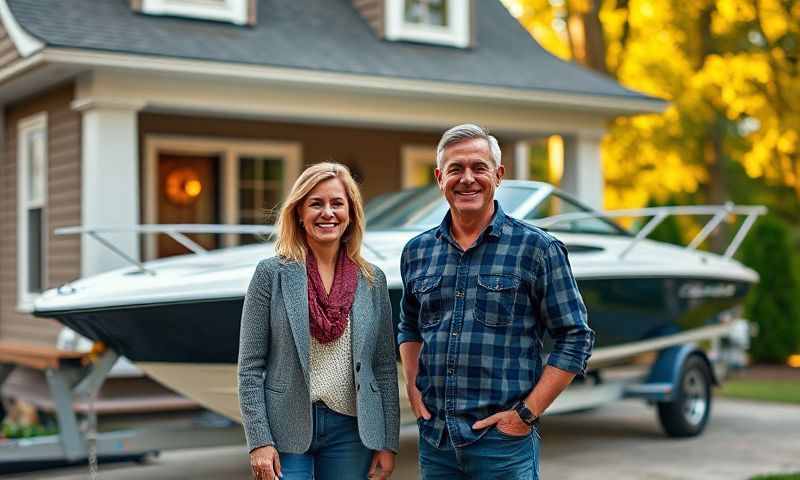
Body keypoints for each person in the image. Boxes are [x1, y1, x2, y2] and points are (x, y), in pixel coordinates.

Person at [397, 124, 595, 479]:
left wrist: (525, 415)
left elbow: (575, 336)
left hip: (502, 445)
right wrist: (412, 388)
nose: (467, 178)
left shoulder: (537, 249)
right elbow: (409, 325)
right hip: (436, 440)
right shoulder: (417, 252)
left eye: (479, 167)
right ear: (440, 177)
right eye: (456, 169)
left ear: (498, 175)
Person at [238, 162, 399, 480]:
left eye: (337, 203)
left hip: (352, 431)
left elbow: (382, 368)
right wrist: (259, 441)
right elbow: (250, 367)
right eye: (316, 203)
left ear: (350, 213)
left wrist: (387, 442)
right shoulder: (271, 275)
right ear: (299, 212)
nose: (328, 212)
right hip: (286, 429)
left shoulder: (372, 280)